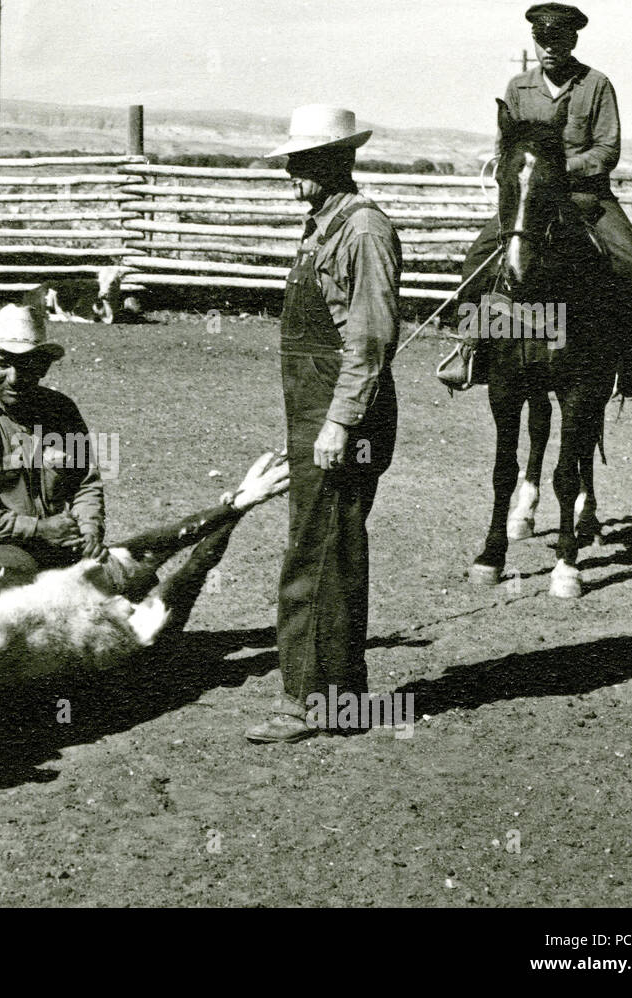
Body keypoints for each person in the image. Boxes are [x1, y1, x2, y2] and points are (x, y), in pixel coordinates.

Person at [247, 106, 401, 744]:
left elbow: (368, 341)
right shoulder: (323, 226)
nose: (288, 172)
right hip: (315, 409)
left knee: (319, 552)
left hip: (345, 415)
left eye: (300, 161)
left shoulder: (362, 231)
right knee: (330, 547)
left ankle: (309, 704)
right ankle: (339, 698)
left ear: (336, 161)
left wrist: (338, 423)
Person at [459, 3, 632, 396]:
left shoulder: (595, 84)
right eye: (541, 40)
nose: (548, 48)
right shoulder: (518, 87)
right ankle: (473, 350)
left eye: (557, 40)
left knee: (631, 260)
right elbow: (506, 148)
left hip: (585, 196)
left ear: (572, 40)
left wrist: (560, 171)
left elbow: (606, 150)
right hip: (530, 200)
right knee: (476, 263)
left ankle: (626, 358)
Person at [0, 303, 105, 600]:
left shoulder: (62, 411)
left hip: (47, 545)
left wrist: (89, 532)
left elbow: (84, 482)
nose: (13, 377)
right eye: (4, 363)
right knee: (20, 579)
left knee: (130, 581)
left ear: (43, 366)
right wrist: (39, 529)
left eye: (26, 365)